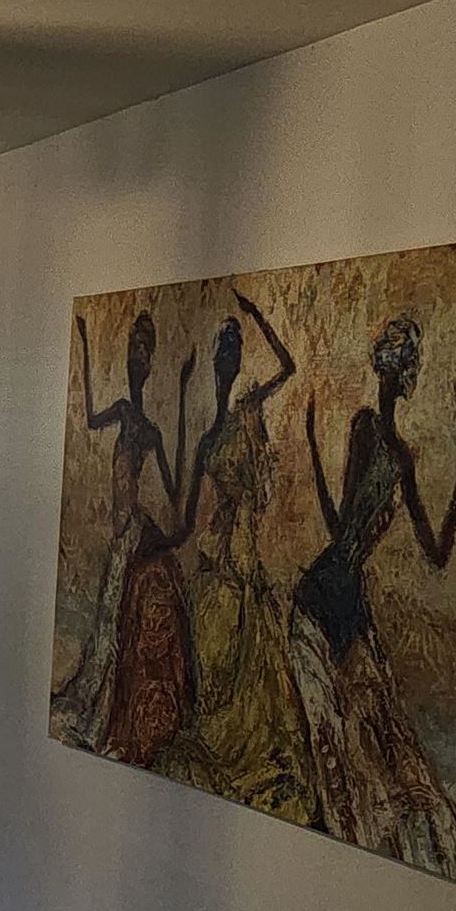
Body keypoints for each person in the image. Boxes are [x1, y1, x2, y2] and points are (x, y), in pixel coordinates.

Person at [285, 311, 456, 874]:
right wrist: (313, 452)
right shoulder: (368, 431)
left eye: (402, 369)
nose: (400, 378)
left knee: (379, 744)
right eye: (399, 367)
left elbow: (436, 552)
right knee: (340, 742)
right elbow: (343, 530)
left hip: (346, 604)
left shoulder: (396, 454)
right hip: (325, 597)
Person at [162, 294, 316, 821]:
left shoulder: (249, 409)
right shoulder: (209, 435)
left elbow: (288, 367)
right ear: (213, 363)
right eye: (222, 351)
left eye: (234, 350)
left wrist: (258, 317)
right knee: (212, 635)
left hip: (243, 548)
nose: (227, 359)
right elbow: (188, 513)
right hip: (219, 546)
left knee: (250, 647)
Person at [53, 308, 191, 752]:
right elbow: (91, 419)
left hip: (134, 530)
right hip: (123, 532)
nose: (137, 357)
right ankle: (99, 705)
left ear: (149, 365)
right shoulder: (125, 412)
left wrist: (185, 395)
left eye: (143, 351)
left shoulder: (148, 430)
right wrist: (84, 346)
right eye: (133, 348)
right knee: (107, 622)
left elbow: (173, 488)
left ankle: (111, 715)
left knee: (115, 624)